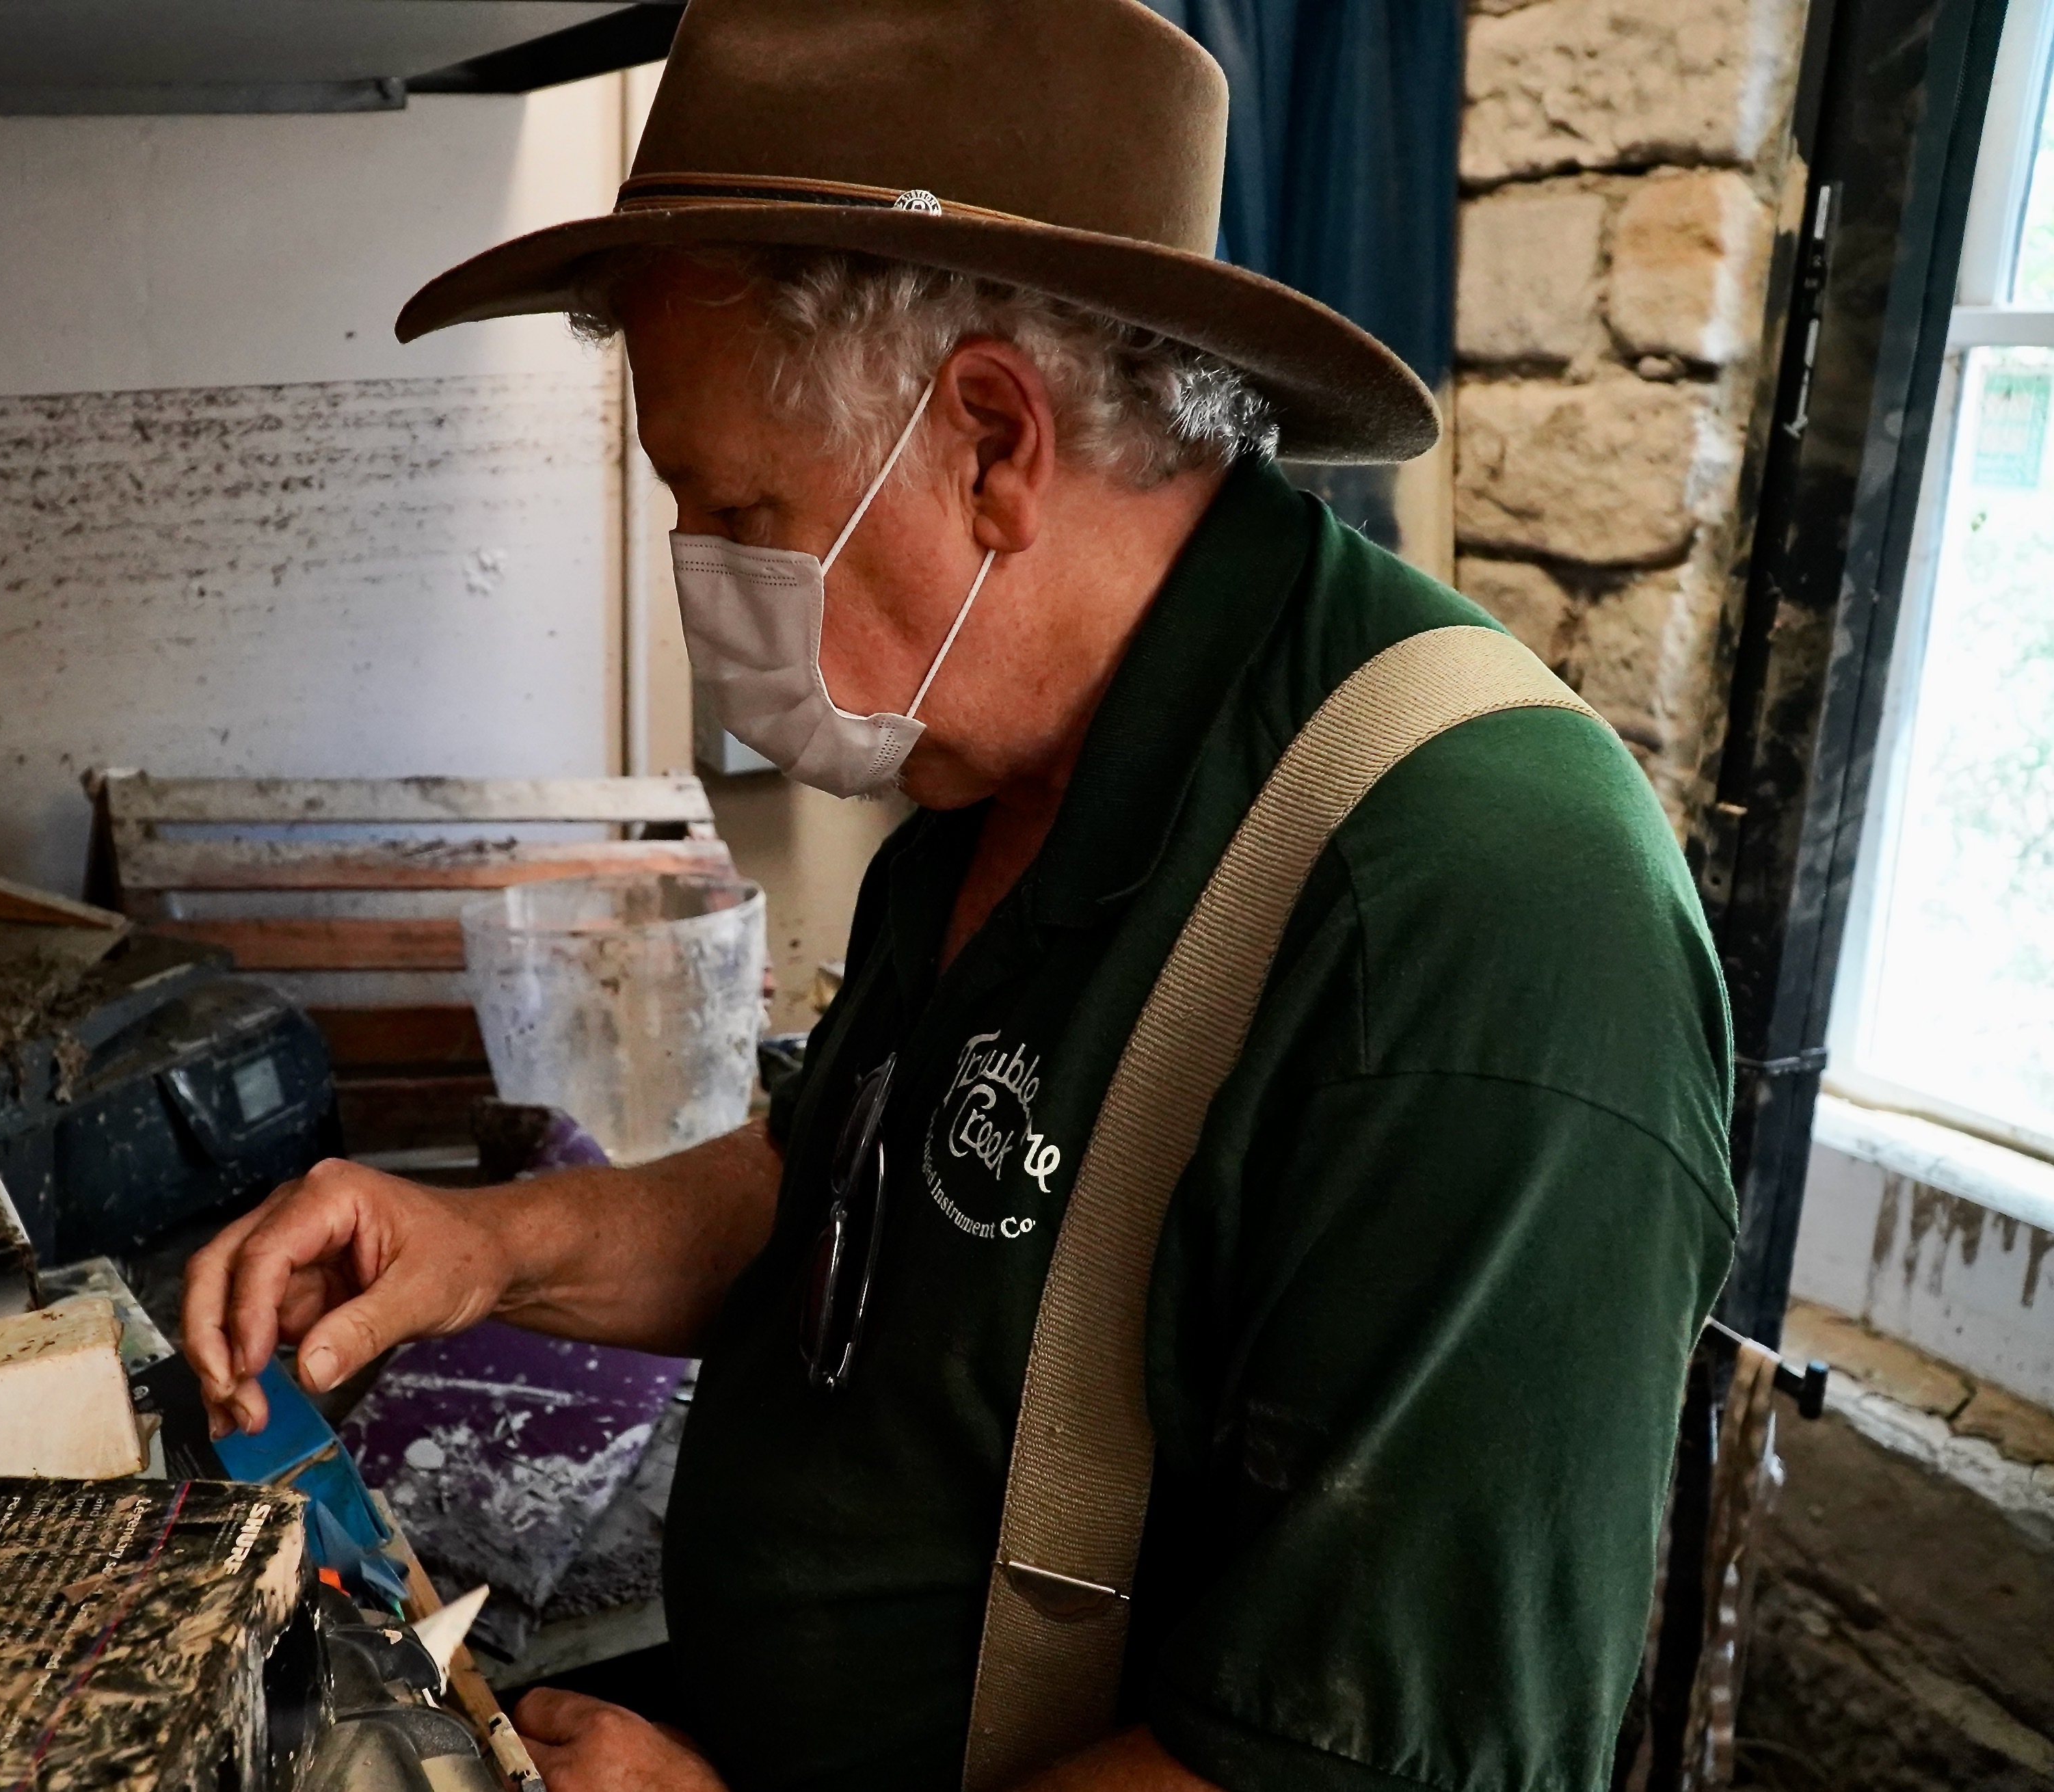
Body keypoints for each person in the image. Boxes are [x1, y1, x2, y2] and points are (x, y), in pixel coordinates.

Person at [183, 1, 1735, 1788]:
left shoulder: (1480, 923)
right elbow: (843, 1194)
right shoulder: (994, 773)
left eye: (738, 507)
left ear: (994, 440)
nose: (707, 583)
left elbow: (1355, 1775)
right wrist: (488, 1251)